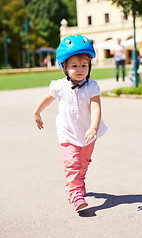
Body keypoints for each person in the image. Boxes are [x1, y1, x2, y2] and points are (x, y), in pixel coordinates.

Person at [33, 35, 107, 212]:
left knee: (83, 163)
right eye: (74, 66)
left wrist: (93, 127)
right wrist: (37, 112)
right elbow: (47, 98)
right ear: (64, 67)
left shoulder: (92, 87)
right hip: (68, 133)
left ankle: (79, 183)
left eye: (84, 65)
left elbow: (96, 108)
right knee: (72, 163)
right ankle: (75, 194)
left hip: (88, 133)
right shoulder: (60, 86)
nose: (80, 69)